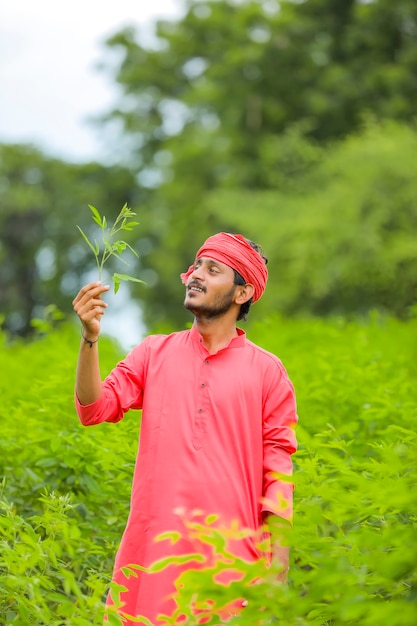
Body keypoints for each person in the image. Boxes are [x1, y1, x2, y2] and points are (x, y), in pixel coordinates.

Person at [73, 232, 298, 625]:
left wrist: (277, 563)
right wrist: (90, 338)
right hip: (154, 553)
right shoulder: (153, 353)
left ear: (242, 293)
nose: (197, 275)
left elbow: (277, 473)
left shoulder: (268, 372)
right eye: (196, 266)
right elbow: (94, 408)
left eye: (213, 270)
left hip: (233, 559)